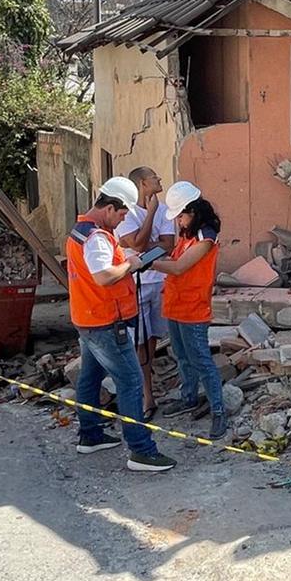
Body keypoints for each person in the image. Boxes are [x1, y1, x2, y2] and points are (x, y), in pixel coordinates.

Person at [65, 176, 176, 472]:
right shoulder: (97, 237)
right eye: (123, 213)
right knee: (130, 381)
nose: (124, 219)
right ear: (110, 207)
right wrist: (131, 264)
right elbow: (103, 276)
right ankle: (141, 450)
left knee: (89, 377)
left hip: (87, 317)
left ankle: (90, 435)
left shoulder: (81, 230)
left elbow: (95, 270)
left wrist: (124, 257)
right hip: (104, 321)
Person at [152, 182, 227, 439]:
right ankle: (189, 398)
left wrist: (147, 262)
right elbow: (175, 260)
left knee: (201, 360)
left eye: (181, 216)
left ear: (193, 211)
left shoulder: (206, 237)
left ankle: (218, 410)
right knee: (182, 356)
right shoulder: (188, 233)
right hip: (176, 304)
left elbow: (178, 267)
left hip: (194, 308)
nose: (179, 222)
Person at [116, 166, 175, 420]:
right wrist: (149, 216)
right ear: (142, 183)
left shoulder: (164, 209)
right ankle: (145, 396)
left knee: (152, 339)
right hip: (136, 283)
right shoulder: (127, 212)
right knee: (139, 341)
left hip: (159, 281)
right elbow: (138, 244)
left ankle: (147, 389)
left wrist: (141, 243)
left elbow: (168, 245)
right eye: (155, 177)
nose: (159, 179)